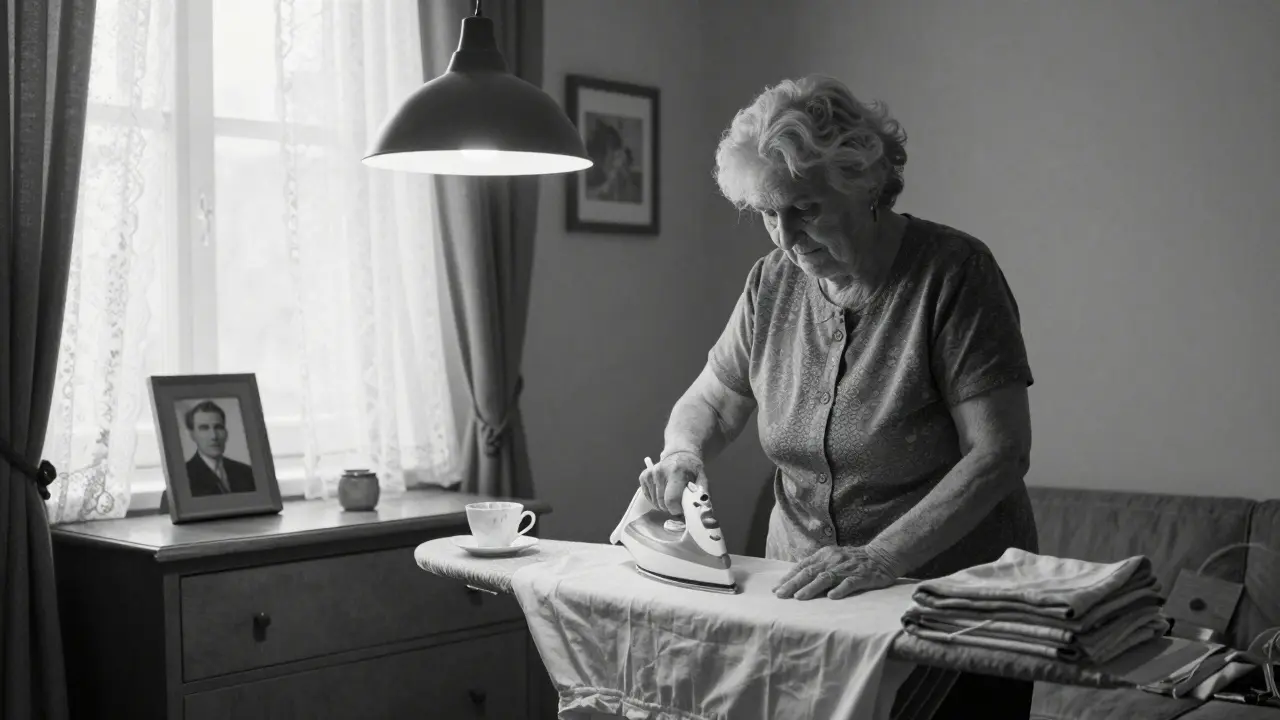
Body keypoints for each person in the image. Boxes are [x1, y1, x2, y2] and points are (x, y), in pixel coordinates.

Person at [638, 75, 1038, 719]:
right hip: (806, 608)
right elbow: (711, 403)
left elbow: (998, 452)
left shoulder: (954, 274)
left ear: (867, 185)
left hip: (950, 612)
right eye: (768, 214)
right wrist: (682, 453)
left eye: (806, 208)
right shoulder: (771, 283)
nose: (787, 239)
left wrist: (883, 556)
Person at [183, 400, 256, 497]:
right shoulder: (182, 479)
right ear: (192, 435)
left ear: (226, 432)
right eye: (204, 428)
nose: (214, 436)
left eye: (218, 427)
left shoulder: (247, 473)